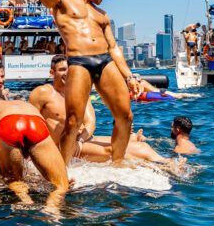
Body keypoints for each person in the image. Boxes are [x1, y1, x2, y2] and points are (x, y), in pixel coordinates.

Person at [32, 0, 139, 165]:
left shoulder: (102, 15)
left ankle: (117, 163)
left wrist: (129, 76)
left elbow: (113, 47)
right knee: (73, 122)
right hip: (79, 61)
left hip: (105, 61)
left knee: (125, 117)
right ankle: (62, 170)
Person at [29, 55, 167, 164]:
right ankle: (152, 165)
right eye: (62, 70)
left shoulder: (80, 92)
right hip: (63, 147)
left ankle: (167, 163)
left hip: (82, 141)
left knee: (135, 145)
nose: (67, 73)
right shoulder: (42, 93)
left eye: (69, 69)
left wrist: (80, 141)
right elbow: (31, 124)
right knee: (110, 150)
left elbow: (90, 122)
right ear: (51, 73)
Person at [0, 94, 69, 208]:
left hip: (9, 124)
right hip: (36, 122)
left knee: (15, 182)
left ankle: (26, 203)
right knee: (62, 185)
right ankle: (52, 209)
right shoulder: (22, 104)